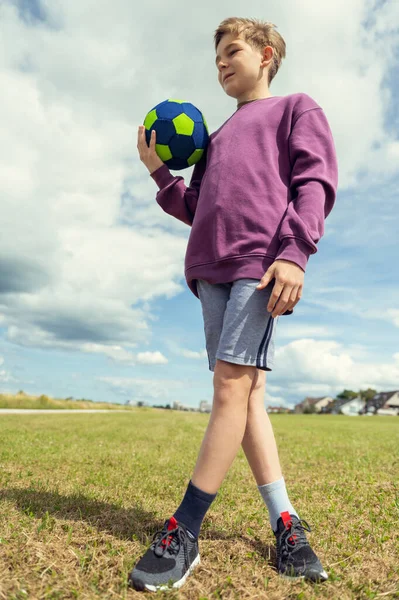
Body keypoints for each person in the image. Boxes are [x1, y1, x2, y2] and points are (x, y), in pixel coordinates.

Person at [130, 16, 338, 593]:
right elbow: (199, 208)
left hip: (261, 264)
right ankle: (286, 522)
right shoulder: (214, 139)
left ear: (265, 54)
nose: (221, 63)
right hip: (210, 274)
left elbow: (315, 182)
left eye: (232, 51)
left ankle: (185, 529)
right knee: (245, 396)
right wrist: (159, 173)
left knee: (229, 388)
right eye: (217, 56)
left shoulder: (296, 108)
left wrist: (295, 253)